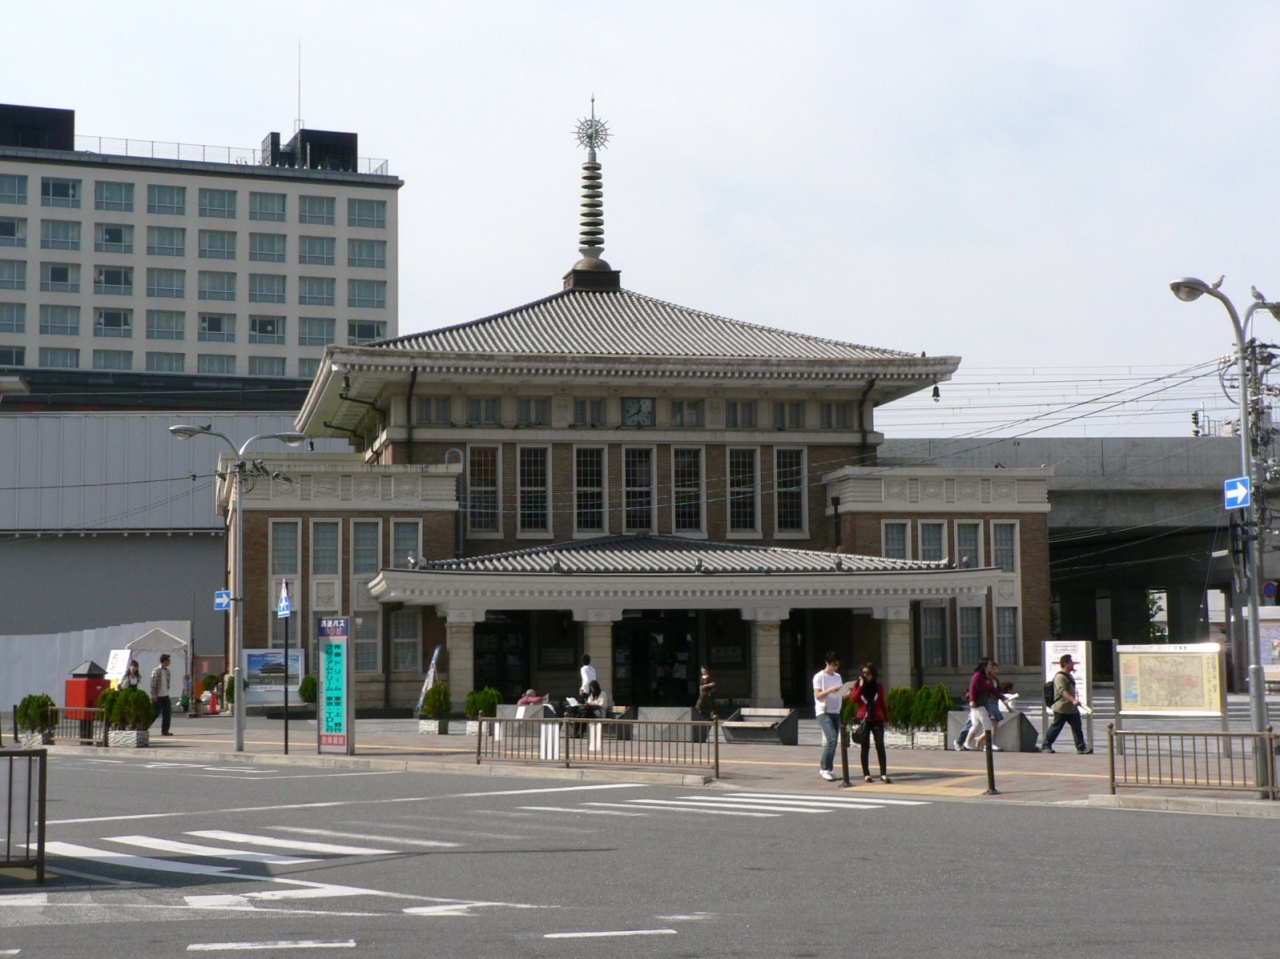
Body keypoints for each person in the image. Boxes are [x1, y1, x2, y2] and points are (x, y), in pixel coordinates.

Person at [850, 663, 892, 783]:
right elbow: (854, 699)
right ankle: (866, 774)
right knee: (865, 747)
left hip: (877, 719)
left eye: (868, 673)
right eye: (863, 673)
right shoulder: (858, 685)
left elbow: (882, 703)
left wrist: (887, 719)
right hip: (863, 720)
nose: (865, 675)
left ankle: (883, 773)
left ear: (873, 674)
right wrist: (861, 686)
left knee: (880, 745)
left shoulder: (878, 686)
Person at [1042, 654, 1091, 753]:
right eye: (1071, 662)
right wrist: (1073, 700)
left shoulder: (1069, 676)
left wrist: (1074, 702)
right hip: (1062, 708)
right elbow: (1062, 691)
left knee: (1077, 727)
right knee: (1056, 728)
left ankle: (1081, 747)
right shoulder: (1059, 677)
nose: (1073, 664)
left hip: (1072, 709)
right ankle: (1046, 745)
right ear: (1065, 663)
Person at [812, 651, 848, 782]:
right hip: (824, 711)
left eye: (838, 665)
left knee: (833, 741)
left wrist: (847, 693)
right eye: (834, 664)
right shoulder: (819, 677)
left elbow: (840, 695)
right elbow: (818, 695)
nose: (836, 667)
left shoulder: (838, 676)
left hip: (836, 711)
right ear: (827, 663)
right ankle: (824, 768)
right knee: (832, 739)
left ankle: (829, 769)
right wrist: (830, 690)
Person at [964, 658, 1001, 751]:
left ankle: (966, 743)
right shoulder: (978, 675)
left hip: (983, 704)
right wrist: (972, 700)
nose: (991, 666)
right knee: (987, 725)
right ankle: (988, 745)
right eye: (989, 664)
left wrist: (1003, 697)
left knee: (976, 725)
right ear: (985, 666)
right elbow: (972, 688)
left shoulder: (987, 677)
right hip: (978, 704)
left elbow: (993, 690)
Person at [150, 653, 173, 736]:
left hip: (165, 695)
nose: (169, 662)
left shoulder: (167, 671)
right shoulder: (156, 671)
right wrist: (154, 695)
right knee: (155, 713)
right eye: (168, 660)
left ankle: (165, 730)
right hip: (158, 696)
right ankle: (144, 726)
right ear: (164, 661)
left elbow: (167, 683)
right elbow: (153, 684)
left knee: (167, 713)